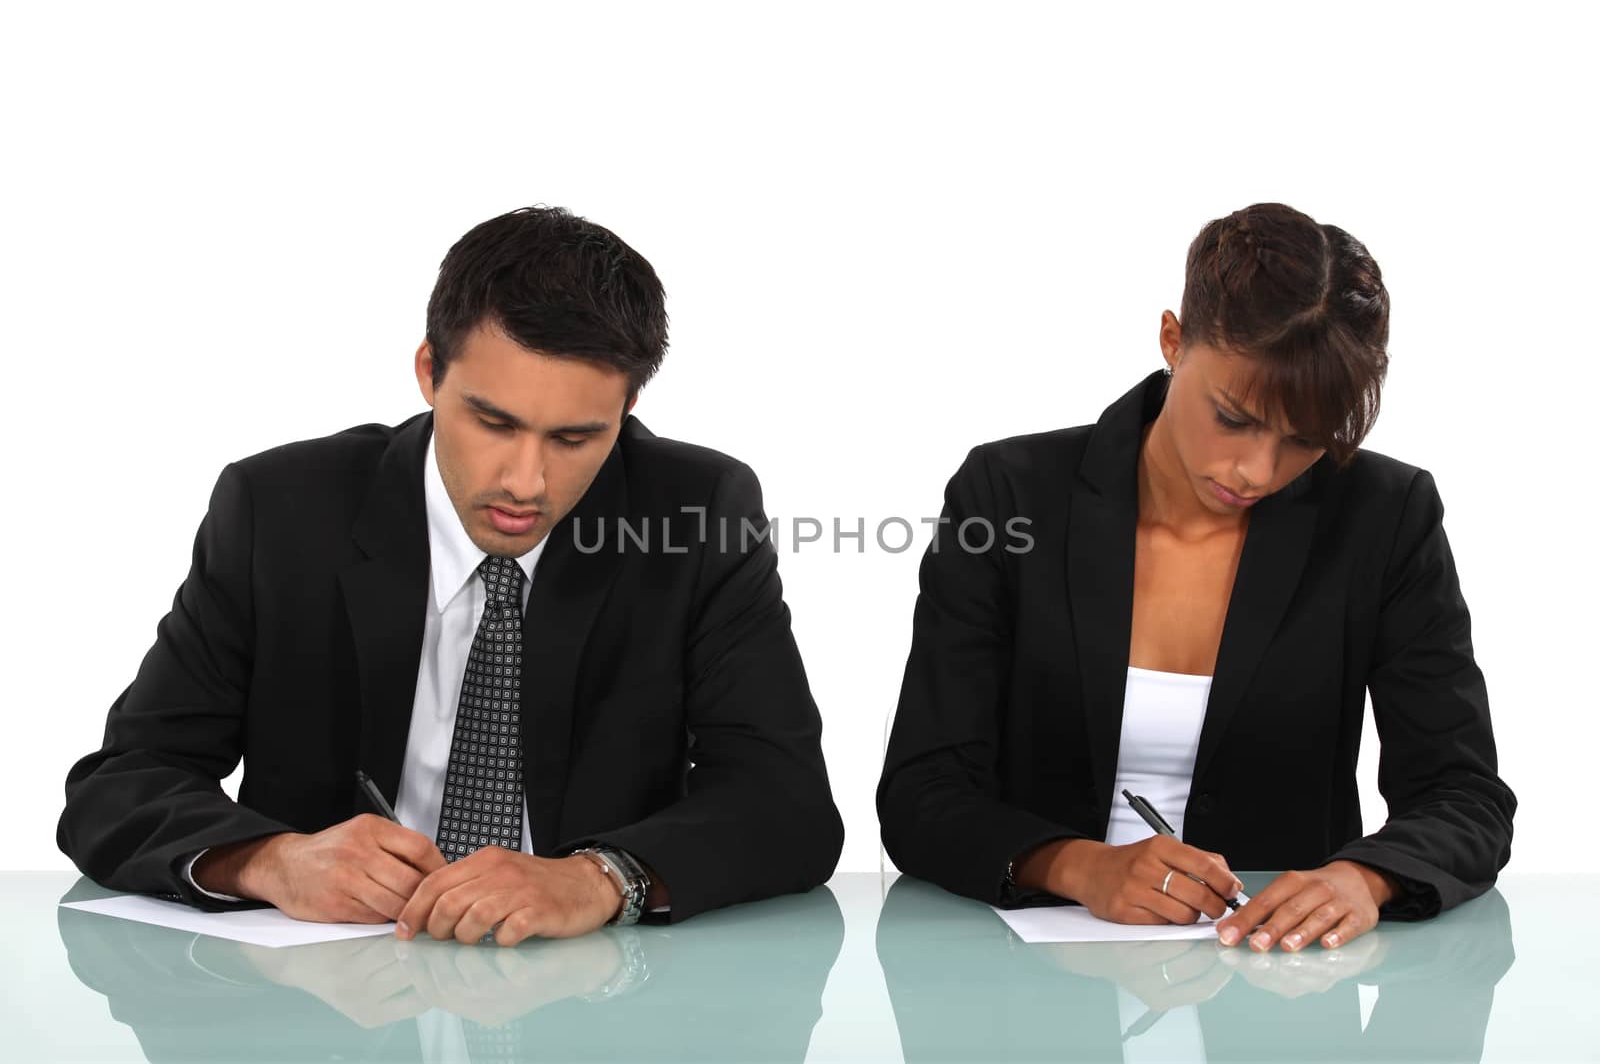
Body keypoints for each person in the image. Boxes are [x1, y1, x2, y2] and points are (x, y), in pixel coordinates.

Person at [59, 205, 843, 944]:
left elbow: (789, 803)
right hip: (332, 1000)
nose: (525, 482)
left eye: (575, 437)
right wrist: (270, 861)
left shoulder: (696, 515)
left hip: (594, 998)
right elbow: (122, 783)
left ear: (630, 404)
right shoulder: (281, 510)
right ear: (430, 372)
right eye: (493, 422)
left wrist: (600, 878)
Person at [877, 202, 1515, 953]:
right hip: (1023, 987)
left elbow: (1465, 795)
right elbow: (921, 794)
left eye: (1304, 440)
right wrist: (1081, 867)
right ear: (1172, 340)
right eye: (1234, 416)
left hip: (1279, 986)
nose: (1257, 471)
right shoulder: (1008, 494)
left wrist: (1362, 876)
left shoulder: (1385, 517)